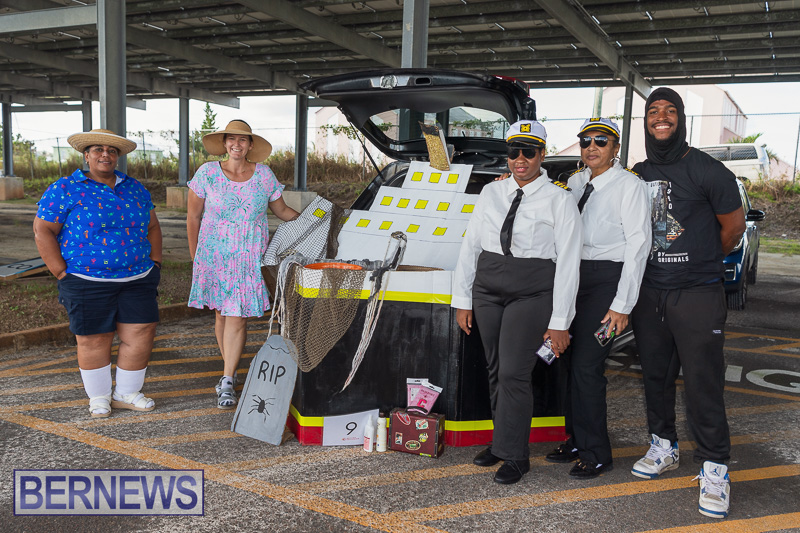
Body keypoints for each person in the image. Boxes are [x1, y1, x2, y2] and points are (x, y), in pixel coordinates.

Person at [629, 88, 745, 519]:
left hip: (697, 292)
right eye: (653, 111)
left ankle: (715, 467)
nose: (661, 117)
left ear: (680, 118)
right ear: (646, 121)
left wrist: (700, 260)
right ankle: (664, 446)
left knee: (703, 382)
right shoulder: (638, 173)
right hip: (650, 292)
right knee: (655, 376)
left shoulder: (708, 170)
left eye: (670, 110)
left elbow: (733, 227)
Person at [452, 120, 582, 484]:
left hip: (532, 291)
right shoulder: (491, 193)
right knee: (495, 369)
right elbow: (470, 245)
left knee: (514, 372)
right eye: (513, 152)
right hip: (488, 288)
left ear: (542, 154)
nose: (520, 159)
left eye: (529, 152)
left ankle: (516, 455)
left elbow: (569, 262)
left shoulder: (559, 199)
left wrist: (560, 321)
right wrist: (462, 299)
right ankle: (501, 443)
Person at [544, 118, 651, 479]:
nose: (592, 147)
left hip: (607, 282)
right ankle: (575, 440)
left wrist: (622, 305)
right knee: (564, 361)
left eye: (601, 141)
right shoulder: (574, 183)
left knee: (587, 366)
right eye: (586, 141)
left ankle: (596, 452)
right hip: (572, 278)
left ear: (615, 148)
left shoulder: (629, 186)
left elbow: (639, 246)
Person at [33, 129, 162, 418]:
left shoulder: (134, 187)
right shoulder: (65, 188)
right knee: (94, 338)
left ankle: (127, 393)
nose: (106, 154)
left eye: (112, 150)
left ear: (117, 157)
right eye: (98, 149)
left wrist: (155, 262)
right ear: (86, 155)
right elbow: (43, 230)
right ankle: (99, 397)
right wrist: (60, 272)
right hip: (85, 278)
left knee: (140, 333)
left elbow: (153, 226)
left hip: (138, 277)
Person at [187, 120, 299, 410]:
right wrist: (195, 256)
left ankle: (226, 380)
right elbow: (193, 217)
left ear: (250, 145)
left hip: (249, 256)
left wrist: (315, 220)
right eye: (231, 139)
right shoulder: (207, 173)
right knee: (222, 314)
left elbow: (282, 211)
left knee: (236, 316)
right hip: (214, 255)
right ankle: (230, 370)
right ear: (224, 143)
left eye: (243, 140)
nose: (236, 144)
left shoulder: (264, 175)